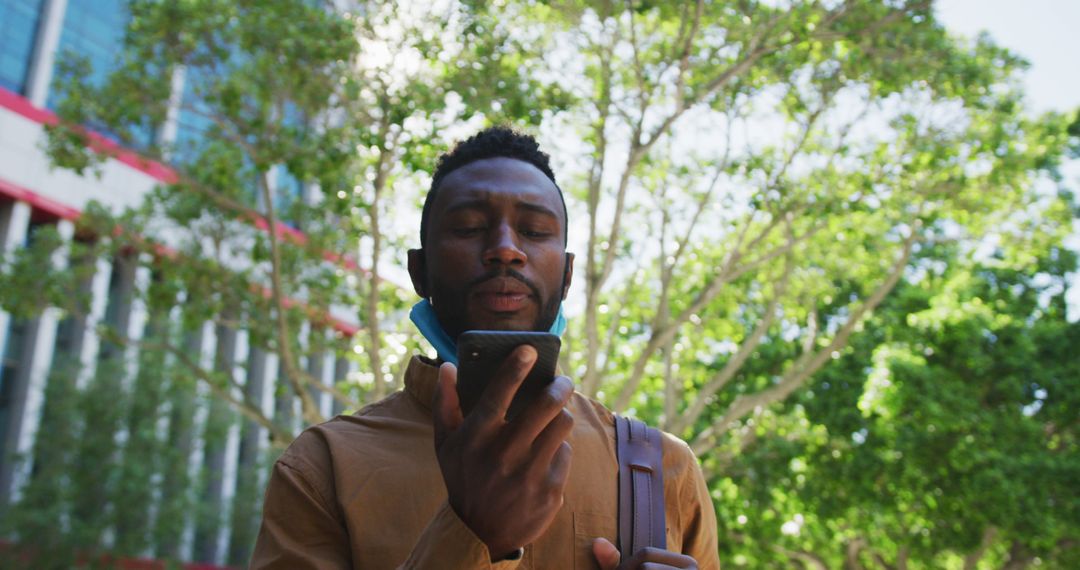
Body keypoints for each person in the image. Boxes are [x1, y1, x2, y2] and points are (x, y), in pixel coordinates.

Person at [250, 127, 720, 569]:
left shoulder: (662, 468)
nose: (504, 249)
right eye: (470, 227)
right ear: (420, 271)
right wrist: (470, 532)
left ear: (568, 275)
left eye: (534, 232)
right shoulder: (322, 465)